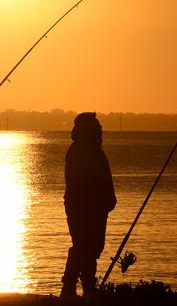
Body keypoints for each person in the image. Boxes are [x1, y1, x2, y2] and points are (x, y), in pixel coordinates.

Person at [60, 112, 116, 297]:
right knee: (84, 246)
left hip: (95, 208)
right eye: (97, 126)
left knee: (92, 248)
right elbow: (85, 183)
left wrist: (108, 199)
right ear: (88, 129)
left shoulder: (91, 150)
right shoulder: (80, 151)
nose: (101, 129)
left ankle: (86, 287)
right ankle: (70, 286)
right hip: (83, 208)